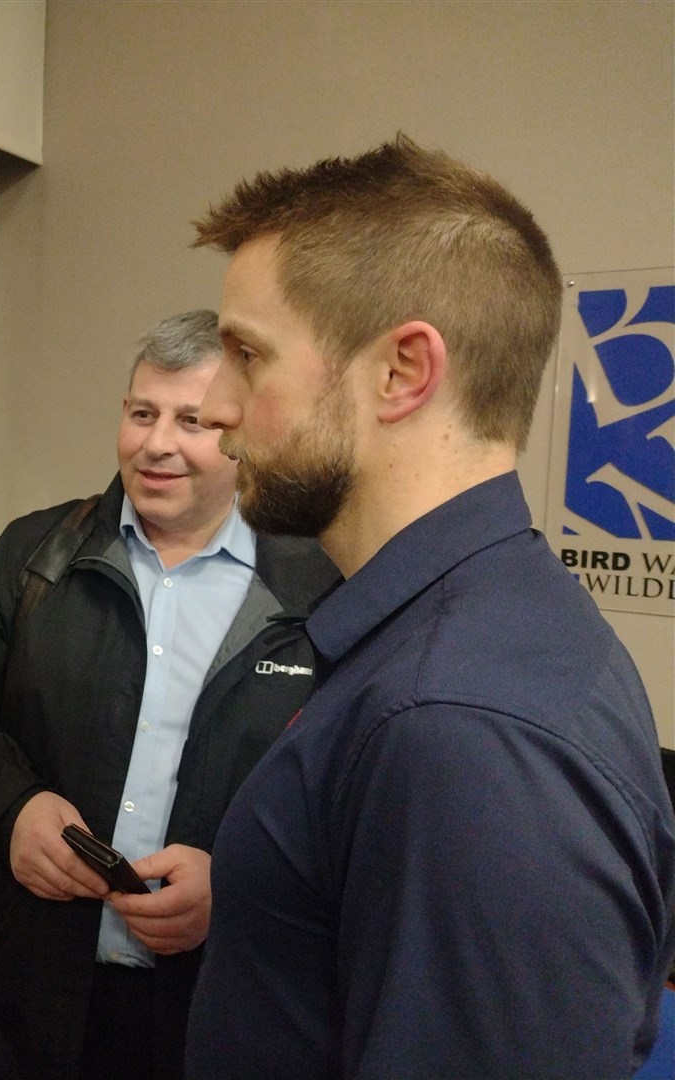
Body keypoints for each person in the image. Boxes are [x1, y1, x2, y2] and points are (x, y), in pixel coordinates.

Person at [183, 135, 675, 1077]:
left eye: (247, 353)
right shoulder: (474, 637)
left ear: (405, 371)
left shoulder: (458, 728)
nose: (214, 402)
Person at [0, 310, 340, 1079]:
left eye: (193, 421)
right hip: (23, 1002)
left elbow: (351, 801)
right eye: (142, 413)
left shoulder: (318, 592)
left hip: (210, 1016)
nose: (157, 444)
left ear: (240, 431)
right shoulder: (35, 556)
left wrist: (237, 890)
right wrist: (12, 810)